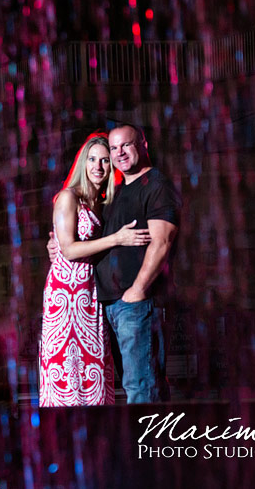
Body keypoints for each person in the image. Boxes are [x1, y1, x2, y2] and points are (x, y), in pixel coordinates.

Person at [47, 123, 181, 404]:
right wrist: (58, 247)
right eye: (114, 148)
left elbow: (163, 242)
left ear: (142, 144)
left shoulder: (156, 185)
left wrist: (137, 290)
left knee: (141, 387)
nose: (119, 153)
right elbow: (80, 242)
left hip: (133, 303)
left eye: (125, 146)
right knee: (125, 384)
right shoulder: (114, 195)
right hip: (101, 306)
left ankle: (150, 447)